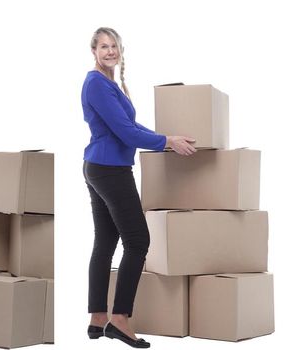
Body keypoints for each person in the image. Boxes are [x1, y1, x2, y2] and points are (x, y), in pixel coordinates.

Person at [82, 27, 196, 349]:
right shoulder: (96, 84)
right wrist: (165, 142)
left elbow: (131, 127)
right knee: (138, 241)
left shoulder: (108, 84)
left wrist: (166, 137)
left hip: (99, 166)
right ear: (94, 51)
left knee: (105, 241)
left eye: (114, 46)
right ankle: (120, 319)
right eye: (103, 46)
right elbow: (125, 133)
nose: (110, 51)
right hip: (110, 170)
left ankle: (97, 318)